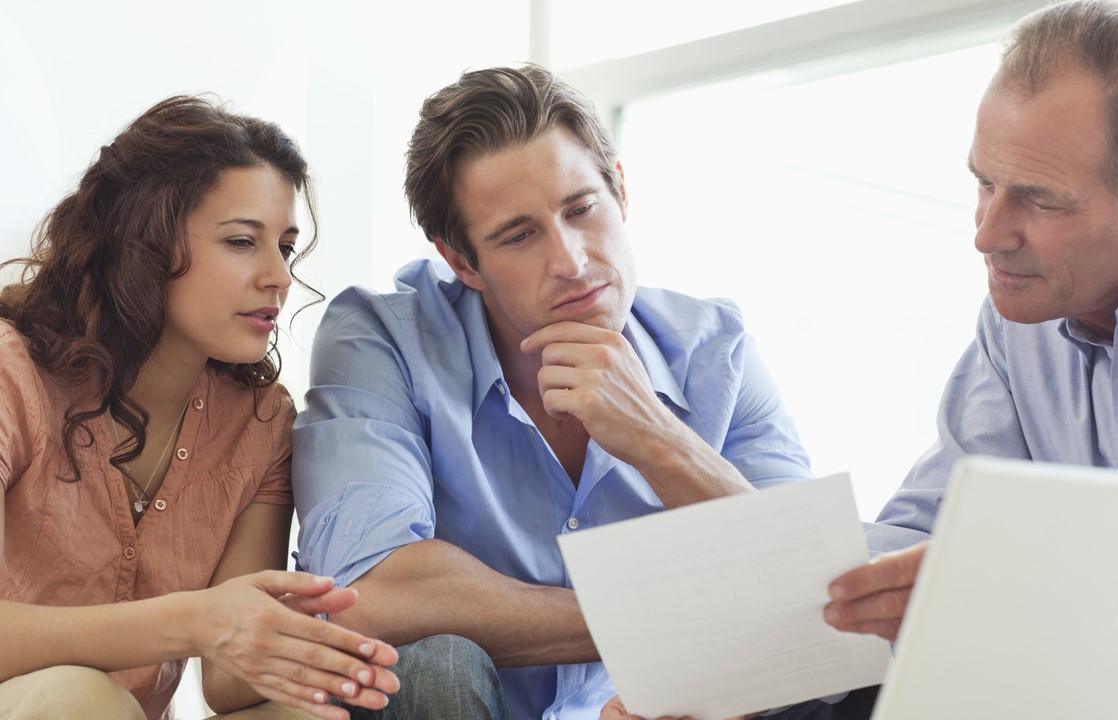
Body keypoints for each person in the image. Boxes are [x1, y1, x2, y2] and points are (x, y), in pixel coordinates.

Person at [292, 66, 829, 720]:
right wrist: (670, 618)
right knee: (430, 668)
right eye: (520, 235)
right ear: (462, 262)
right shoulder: (384, 340)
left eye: (582, 209)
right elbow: (371, 591)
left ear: (620, 191)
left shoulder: (718, 350)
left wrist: (658, 439)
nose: (571, 261)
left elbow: (813, 595)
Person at [824, 0, 1118, 644]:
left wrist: (1017, 573)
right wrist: (817, 611)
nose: (987, 236)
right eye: (985, 182)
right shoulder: (1021, 320)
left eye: (1039, 200)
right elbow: (933, 531)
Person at [0, 96, 400, 720]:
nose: (278, 276)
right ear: (143, 245)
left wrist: (323, 652)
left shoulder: (260, 421)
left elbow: (229, 684)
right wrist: (191, 620)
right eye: (242, 241)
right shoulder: (11, 374)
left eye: (286, 247)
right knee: (76, 697)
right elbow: (199, 631)